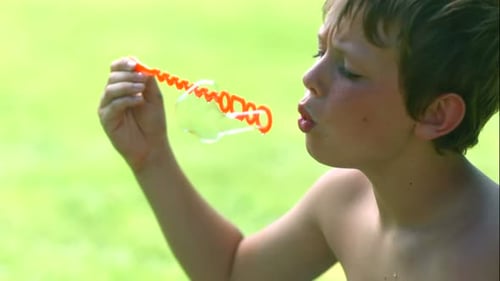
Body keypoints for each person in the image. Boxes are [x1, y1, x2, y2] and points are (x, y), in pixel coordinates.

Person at [98, 0, 499, 280]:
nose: (311, 78)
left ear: (436, 113)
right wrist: (150, 158)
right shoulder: (344, 202)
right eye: (319, 50)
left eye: (349, 70)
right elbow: (232, 273)